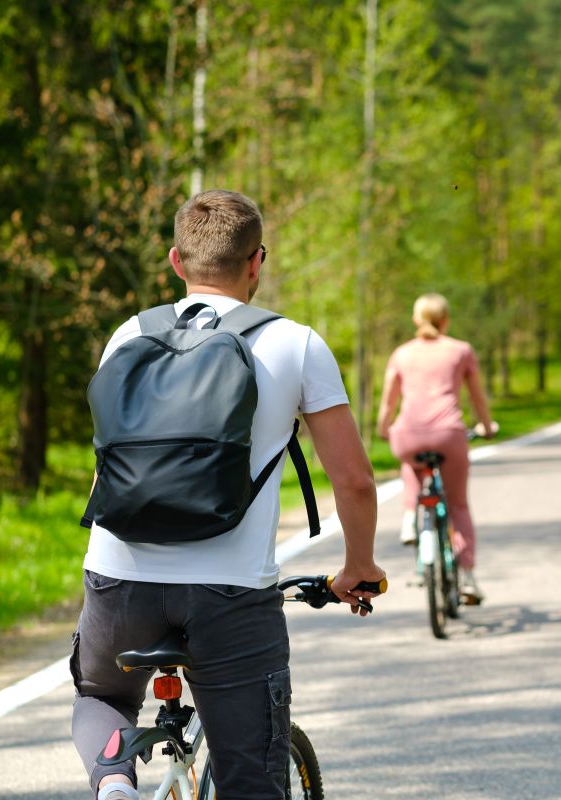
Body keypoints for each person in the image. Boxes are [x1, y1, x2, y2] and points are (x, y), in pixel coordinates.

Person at [71, 190, 384, 800]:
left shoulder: (128, 334)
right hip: (229, 593)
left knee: (102, 693)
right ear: (256, 262)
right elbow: (354, 480)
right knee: (251, 781)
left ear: (176, 261)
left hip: (117, 578)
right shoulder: (296, 344)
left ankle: (113, 784)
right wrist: (359, 567)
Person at [376, 293, 496, 604]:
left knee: (411, 463)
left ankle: (408, 519)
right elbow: (478, 397)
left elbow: (389, 399)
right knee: (458, 505)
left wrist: (384, 428)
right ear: (446, 321)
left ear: (416, 320)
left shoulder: (401, 353)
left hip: (408, 435)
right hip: (449, 434)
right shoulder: (461, 351)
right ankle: (468, 576)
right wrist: (487, 425)